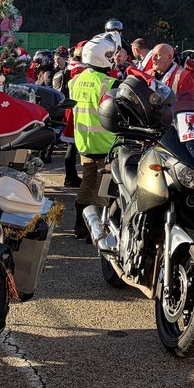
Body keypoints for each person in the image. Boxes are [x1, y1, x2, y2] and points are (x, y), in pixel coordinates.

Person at [69, 33, 121, 240]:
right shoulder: (110, 83)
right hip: (105, 144)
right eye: (109, 54)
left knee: (87, 183)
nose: (112, 58)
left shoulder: (75, 81)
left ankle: (79, 226)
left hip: (84, 142)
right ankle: (99, 232)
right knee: (103, 188)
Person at [52, 41, 87, 187]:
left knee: (72, 146)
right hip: (77, 110)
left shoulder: (71, 68)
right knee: (74, 146)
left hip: (71, 109)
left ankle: (71, 176)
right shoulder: (79, 70)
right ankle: (71, 177)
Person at [149, 43, 194, 111]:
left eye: (158, 55)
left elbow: (189, 105)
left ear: (169, 57)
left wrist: (165, 106)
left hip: (172, 116)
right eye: (153, 55)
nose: (153, 58)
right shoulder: (147, 74)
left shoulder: (183, 77)